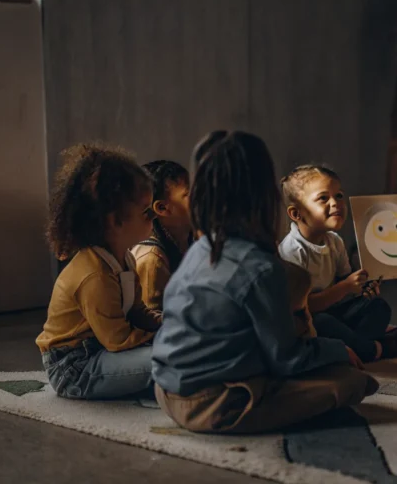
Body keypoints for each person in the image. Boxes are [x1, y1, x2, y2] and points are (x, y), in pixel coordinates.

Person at [151, 131, 377, 435]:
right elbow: (288, 359)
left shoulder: (200, 249)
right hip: (215, 404)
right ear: (265, 195)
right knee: (351, 382)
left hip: (164, 391)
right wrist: (337, 349)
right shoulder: (259, 268)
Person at [278, 164, 397, 364]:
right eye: (323, 198)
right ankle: (374, 349)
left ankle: (356, 343)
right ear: (296, 214)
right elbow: (304, 307)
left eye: (339, 196)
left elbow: (349, 281)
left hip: (334, 314)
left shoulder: (334, 241)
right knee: (323, 322)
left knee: (377, 307)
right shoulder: (292, 252)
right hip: (307, 322)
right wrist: (345, 287)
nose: (335, 203)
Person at [36, 144, 162, 400]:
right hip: (75, 368)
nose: (154, 219)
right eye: (147, 213)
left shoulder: (124, 258)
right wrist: (165, 340)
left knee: (175, 353)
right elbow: (118, 339)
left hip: (103, 351)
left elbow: (137, 311)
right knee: (169, 360)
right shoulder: (94, 274)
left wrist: (167, 325)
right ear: (115, 221)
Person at [132, 160, 193, 312]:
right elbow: (152, 328)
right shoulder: (152, 260)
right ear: (162, 208)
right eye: (189, 194)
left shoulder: (191, 239)